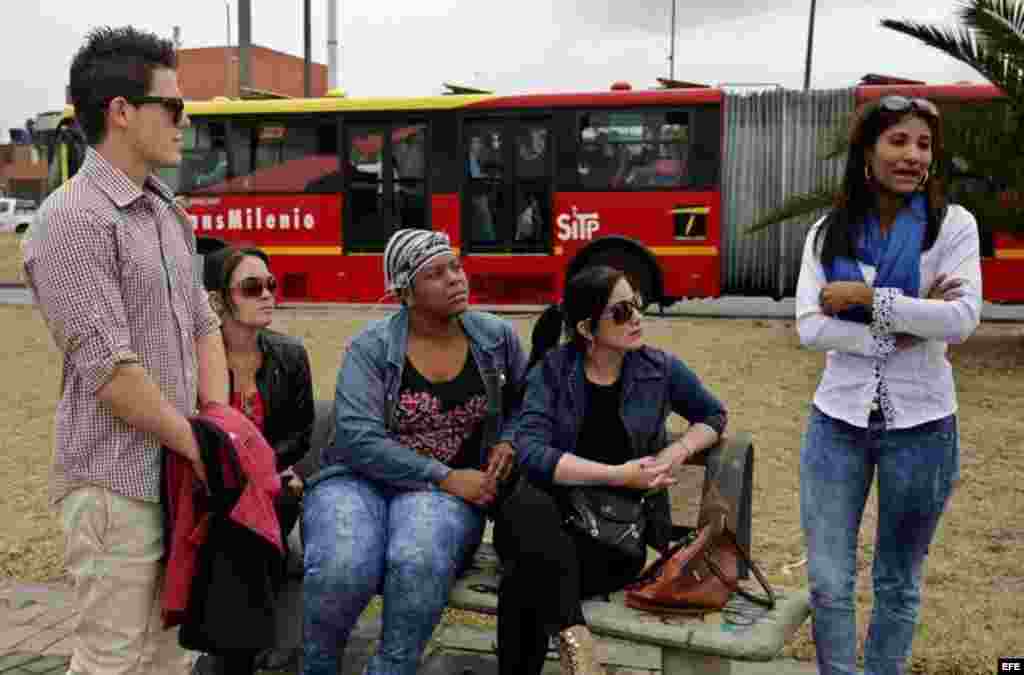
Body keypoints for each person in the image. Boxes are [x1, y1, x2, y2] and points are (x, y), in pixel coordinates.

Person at [22, 26, 229, 674]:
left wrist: (216, 427)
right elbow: (111, 372)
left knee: (173, 658)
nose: (183, 120)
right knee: (112, 661)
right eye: (172, 105)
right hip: (117, 487)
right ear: (120, 111)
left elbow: (205, 324)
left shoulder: (168, 213)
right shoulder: (72, 219)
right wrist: (201, 445)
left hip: (180, 479)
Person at [795, 96, 982, 675]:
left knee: (897, 581)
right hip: (838, 423)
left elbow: (961, 319)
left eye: (923, 144)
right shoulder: (828, 231)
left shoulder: (953, 226)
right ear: (868, 152)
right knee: (828, 580)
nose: (912, 155)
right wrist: (901, 322)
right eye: (898, 141)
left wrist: (866, 301)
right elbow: (808, 326)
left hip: (923, 427)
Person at [301, 229, 528, 675]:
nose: (455, 280)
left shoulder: (496, 338)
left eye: (456, 268)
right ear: (405, 291)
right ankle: (318, 667)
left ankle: (393, 668)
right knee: (342, 565)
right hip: (358, 479)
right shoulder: (372, 347)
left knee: (417, 559)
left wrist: (509, 438)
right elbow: (356, 437)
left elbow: (529, 401)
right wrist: (445, 474)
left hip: (444, 494)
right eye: (435, 274)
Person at [496, 265, 728, 675]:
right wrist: (617, 474)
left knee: (523, 579)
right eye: (620, 311)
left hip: (616, 536)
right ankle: (577, 639)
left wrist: (678, 450)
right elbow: (530, 451)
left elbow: (713, 414)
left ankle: (574, 644)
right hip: (547, 523)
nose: (636, 317)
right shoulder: (553, 371)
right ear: (587, 328)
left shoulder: (659, 369)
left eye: (636, 304)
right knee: (528, 504)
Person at [193, 245, 314, 674]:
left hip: (269, 490)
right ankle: (241, 651)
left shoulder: (290, 355)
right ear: (218, 299)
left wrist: (263, 468)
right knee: (237, 525)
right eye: (251, 287)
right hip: (214, 489)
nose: (267, 294)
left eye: (270, 285)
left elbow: (301, 434)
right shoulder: (194, 361)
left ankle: (231, 655)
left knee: (266, 511)